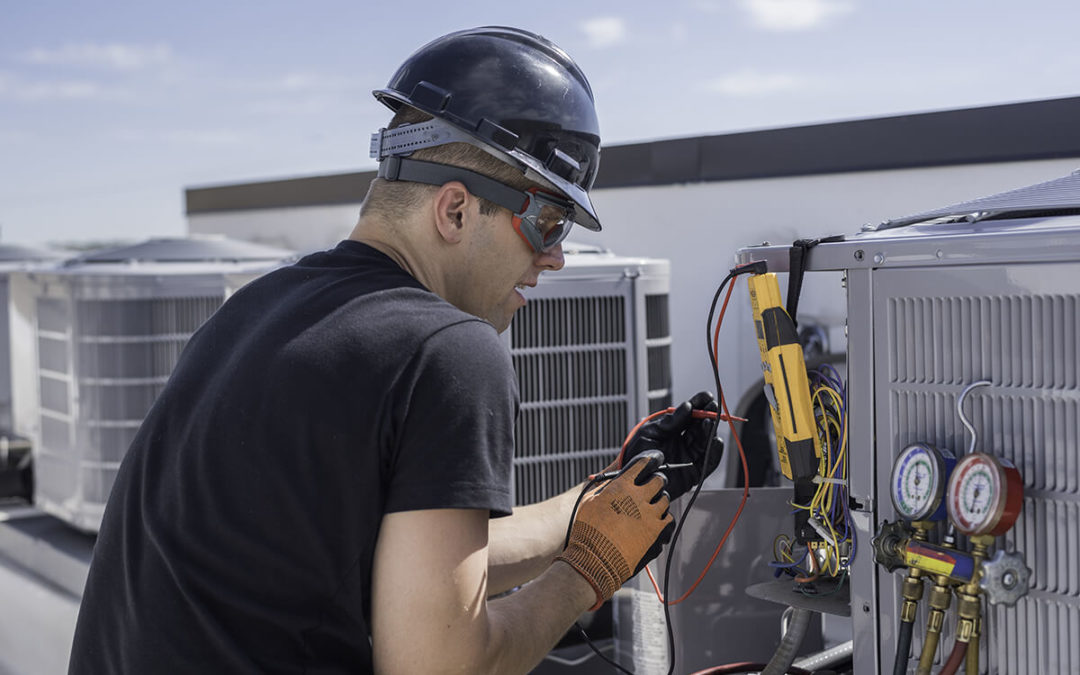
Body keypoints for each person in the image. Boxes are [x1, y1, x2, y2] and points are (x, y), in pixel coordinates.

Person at [68, 26, 722, 674]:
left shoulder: (253, 313)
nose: (555, 256)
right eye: (546, 223)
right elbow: (440, 665)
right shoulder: (448, 351)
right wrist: (589, 568)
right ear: (456, 210)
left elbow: (420, 571)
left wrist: (604, 498)